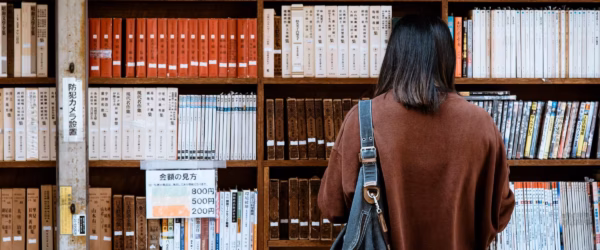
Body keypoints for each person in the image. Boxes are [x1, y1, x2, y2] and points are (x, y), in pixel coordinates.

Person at [318, 15, 515, 249]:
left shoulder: (364, 118)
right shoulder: (481, 124)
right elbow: (501, 212)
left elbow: (331, 207)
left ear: (393, 58)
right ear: (447, 60)